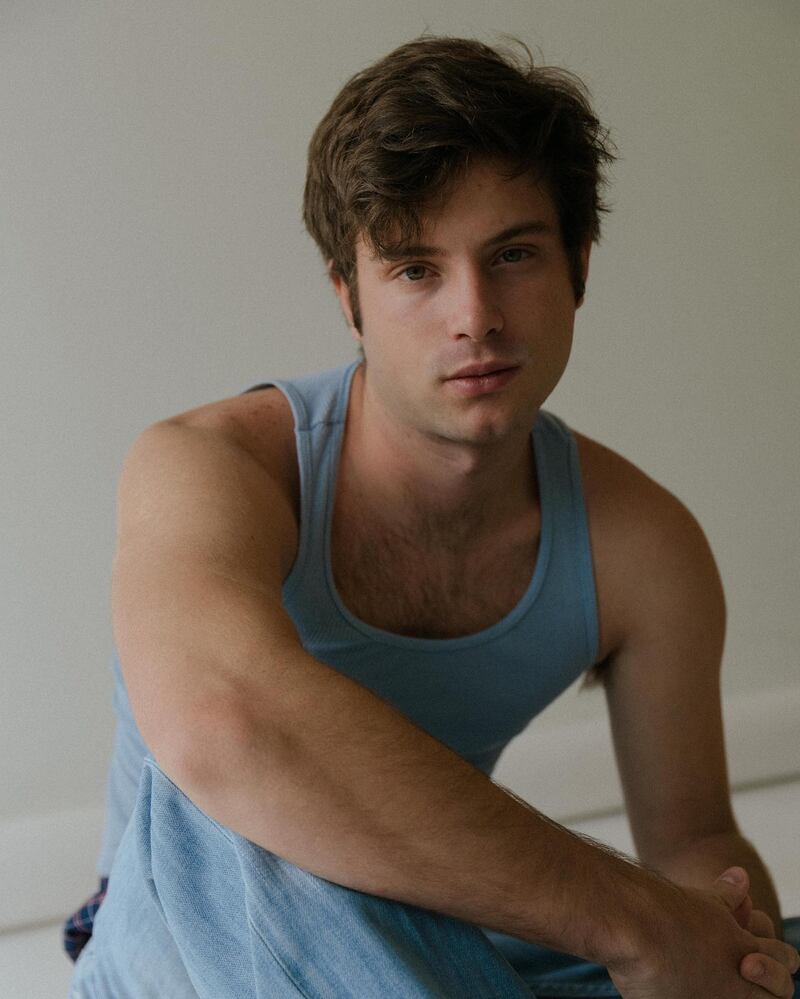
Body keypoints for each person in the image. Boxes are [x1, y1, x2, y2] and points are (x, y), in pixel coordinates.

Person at [66, 35, 800, 998]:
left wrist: (731, 947)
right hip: (189, 933)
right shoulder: (213, 465)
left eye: (514, 255)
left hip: (431, 938)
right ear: (349, 297)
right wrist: (634, 921)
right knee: (247, 789)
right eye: (416, 270)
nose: (475, 315)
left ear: (579, 267)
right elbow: (224, 722)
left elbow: (696, 837)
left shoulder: (643, 547)